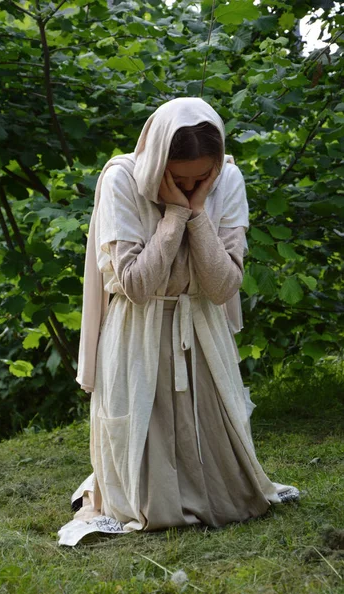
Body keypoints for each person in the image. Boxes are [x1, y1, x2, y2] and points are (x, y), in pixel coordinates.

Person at [58, 97, 298, 546]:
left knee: (225, 475)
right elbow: (135, 285)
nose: (190, 188)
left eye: (200, 178)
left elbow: (223, 286)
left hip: (202, 325)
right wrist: (174, 217)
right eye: (179, 180)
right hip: (137, 328)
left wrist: (199, 211)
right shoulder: (122, 179)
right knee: (143, 457)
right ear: (157, 164)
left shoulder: (226, 180)